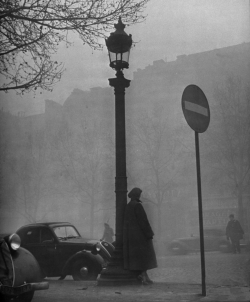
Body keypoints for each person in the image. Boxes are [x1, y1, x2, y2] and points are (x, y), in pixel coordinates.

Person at [123, 187, 157, 285]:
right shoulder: (138, 205)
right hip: (141, 237)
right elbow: (144, 221)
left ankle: (144, 276)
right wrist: (149, 234)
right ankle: (144, 276)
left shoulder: (129, 206)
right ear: (137, 195)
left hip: (131, 237)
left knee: (138, 259)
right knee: (145, 258)